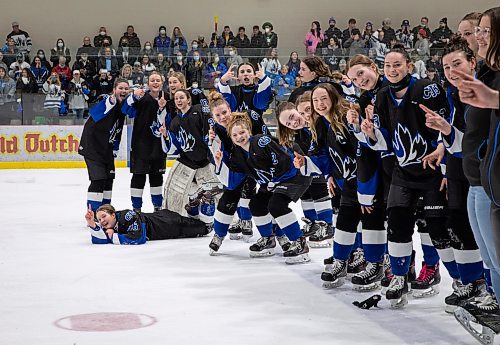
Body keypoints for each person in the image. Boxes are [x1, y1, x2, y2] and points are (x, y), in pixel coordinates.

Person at [359, 45, 459, 308]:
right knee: (398, 226)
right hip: (402, 174)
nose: (392, 70)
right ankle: (400, 277)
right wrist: (370, 133)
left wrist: (443, 155)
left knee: (437, 230)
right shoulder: (381, 96)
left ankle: (462, 281)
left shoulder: (427, 88)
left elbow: (446, 125)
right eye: (388, 66)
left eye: (397, 65)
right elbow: (383, 142)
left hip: (431, 173)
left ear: (409, 66)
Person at [421, 36, 487, 313]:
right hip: (462, 168)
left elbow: (477, 141)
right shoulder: (453, 94)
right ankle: (475, 283)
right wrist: (445, 139)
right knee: (459, 224)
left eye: (457, 64)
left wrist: (447, 133)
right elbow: (460, 142)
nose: (451, 72)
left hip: (484, 172)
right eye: (446, 67)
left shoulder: (485, 91)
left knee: (484, 231)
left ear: (473, 62)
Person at [212, 113, 312, 264]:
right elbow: (232, 183)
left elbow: (284, 160)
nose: (239, 137)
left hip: (295, 175)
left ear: (249, 132)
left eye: (242, 132)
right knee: (256, 204)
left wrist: (274, 181)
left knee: (276, 205)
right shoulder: (237, 156)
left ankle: (299, 243)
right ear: (231, 138)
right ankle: (268, 239)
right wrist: (219, 164)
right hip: (272, 183)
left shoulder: (261, 141)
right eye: (235, 135)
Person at [276, 94, 334, 248]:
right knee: (307, 190)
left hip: (332, 168)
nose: (302, 117)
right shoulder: (298, 133)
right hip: (314, 167)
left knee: (318, 188)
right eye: (301, 113)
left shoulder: (322, 123)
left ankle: (327, 225)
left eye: (308, 110)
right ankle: (314, 225)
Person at [160, 89, 219, 229]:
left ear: (189, 99)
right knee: (192, 195)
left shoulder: (198, 110)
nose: (179, 100)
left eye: (182, 97)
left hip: (205, 161)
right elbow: (173, 147)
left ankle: (209, 222)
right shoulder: (174, 122)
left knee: (210, 194)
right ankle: (194, 219)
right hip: (188, 163)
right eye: (176, 99)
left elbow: (208, 127)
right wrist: (166, 136)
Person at [79, 78, 129, 213]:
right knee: (98, 180)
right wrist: (110, 101)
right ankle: (94, 214)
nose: (123, 91)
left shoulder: (122, 108)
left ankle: (104, 212)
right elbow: (96, 112)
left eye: (126, 89)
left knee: (108, 180)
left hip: (106, 149)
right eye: (120, 88)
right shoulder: (107, 100)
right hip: (92, 147)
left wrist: (116, 147)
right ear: (114, 90)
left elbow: (118, 129)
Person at [121, 71, 167, 212]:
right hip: (140, 146)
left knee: (156, 177)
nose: (155, 82)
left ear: (161, 82)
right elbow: (125, 111)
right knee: (138, 177)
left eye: (157, 80)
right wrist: (133, 97)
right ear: (148, 83)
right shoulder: (141, 98)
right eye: (152, 80)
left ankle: (158, 207)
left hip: (158, 146)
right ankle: (136, 208)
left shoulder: (168, 99)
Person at [85, 204, 209, 245]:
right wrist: (91, 223)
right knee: (195, 224)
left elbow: (139, 238)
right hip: (163, 222)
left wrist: (113, 237)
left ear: (113, 214)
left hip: (168, 223)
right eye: (99, 220)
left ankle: (197, 210)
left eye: (103, 216)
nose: (102, 221)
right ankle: (193, 211)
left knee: (204, 228)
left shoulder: (127, 216)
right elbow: (99, 240)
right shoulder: (111, 224)